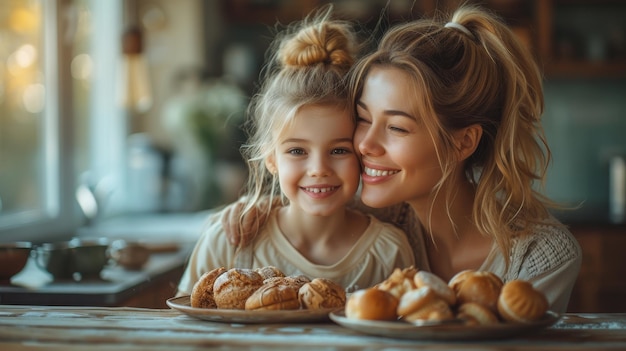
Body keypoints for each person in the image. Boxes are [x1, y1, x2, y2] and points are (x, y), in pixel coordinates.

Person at [221, 4, 582, 313]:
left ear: (463, 143)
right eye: (363, 119)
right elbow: (306, 212)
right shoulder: (373, 221)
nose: (364, 144)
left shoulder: (540, 257)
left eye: (396, 127)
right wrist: (264, 209)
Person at [176, 6, 415, 296]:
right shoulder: (228, 242)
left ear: (362, 154)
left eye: (339, 150)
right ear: (271, 159)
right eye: (298, 151)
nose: (319, 169)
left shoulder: (388, 252)